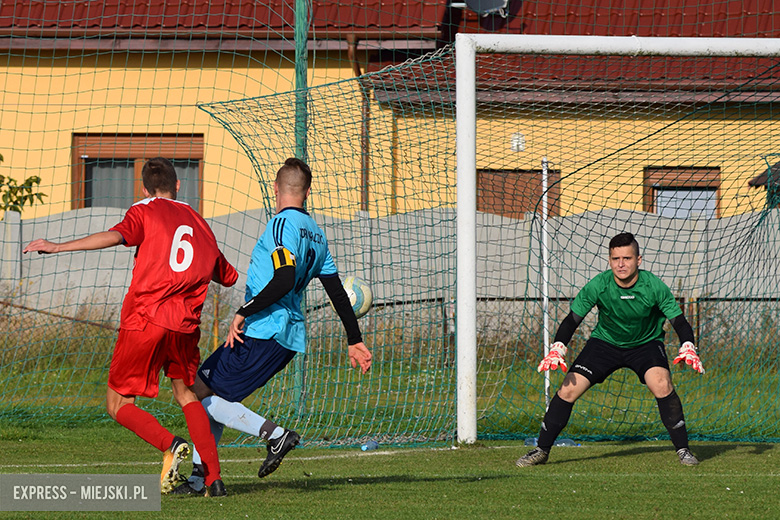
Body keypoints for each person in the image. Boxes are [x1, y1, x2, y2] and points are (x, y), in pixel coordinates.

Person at [23, 157, 237, 497]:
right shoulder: (199, 221)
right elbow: (226, 276)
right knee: (187, 394)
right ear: (178, 185)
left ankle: (171, 444)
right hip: (185, 326)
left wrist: (58, 246)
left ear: (143, 189)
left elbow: (114, 236)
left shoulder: (144, 211)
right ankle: (214, 479)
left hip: (145, 319)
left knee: (118, 403)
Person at [172, 157, 373, 495]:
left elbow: (284, 278)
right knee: (208, 392)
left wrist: (243, 310)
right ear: (307, 192)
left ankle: (276, 436)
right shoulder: (318, 236)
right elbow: (338, 293)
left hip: (264, 328)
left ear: (276, 188)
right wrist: (355, 339)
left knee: (196, 391)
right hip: (288, 337)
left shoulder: (282, 225)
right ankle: (201, 478)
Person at [516, 232, 705, 468]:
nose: (621, 264)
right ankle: (541, 450)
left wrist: (688, 345)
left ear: (639, 260)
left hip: (645, 344)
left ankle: (684, 450)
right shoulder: (599, 284)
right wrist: (558, 348)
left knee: (662, 384)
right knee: (567, 390)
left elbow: (680, 322)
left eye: (627, 258)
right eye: (616, 259)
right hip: (604, 344)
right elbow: (571, 320)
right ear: (609, 260)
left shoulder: (654, 286)